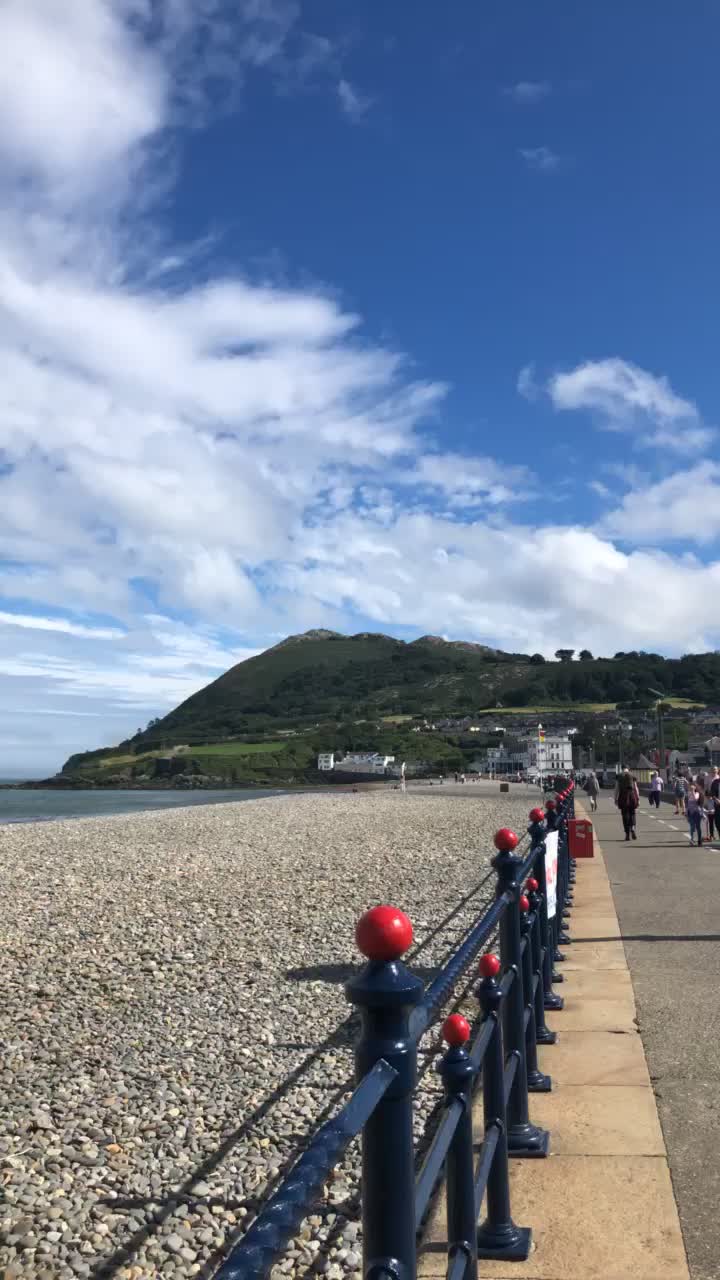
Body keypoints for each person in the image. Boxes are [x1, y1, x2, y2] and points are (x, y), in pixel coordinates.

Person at [614, 767, 639, 840]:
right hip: (632, 796)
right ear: (628, 769)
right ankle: (633, 828)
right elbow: (636, 788)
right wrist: (638, 798)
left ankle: (627, 834)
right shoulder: (632, 775)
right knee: (632, 813)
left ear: (621, 769)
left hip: (623, 796)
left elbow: (616, 788)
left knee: (625, 815)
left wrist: (615, 799)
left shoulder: (619, 776)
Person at [686, 781, 704, 846]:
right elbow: (688, 803)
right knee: (692, 827)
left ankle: (699, 840)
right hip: (690, 812)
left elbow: (695, 799)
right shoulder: (688, 793)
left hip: (697, 812)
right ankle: (692, 839)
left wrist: (693, 791)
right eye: (690, 786)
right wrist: (686, 812)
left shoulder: (697, 793)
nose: (690, 787)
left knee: (698, 827)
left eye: (692, 786)